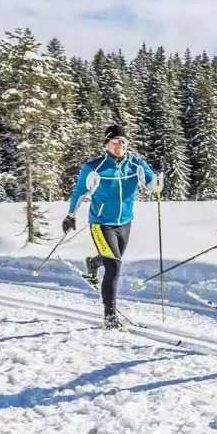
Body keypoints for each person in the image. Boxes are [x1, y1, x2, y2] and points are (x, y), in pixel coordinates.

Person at [63, 124, 161, 329]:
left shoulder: (136, 164)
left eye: (124, 142)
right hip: (101, 224)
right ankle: (110, 318)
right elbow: (79, 192)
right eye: (116, 141)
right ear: (106, 143)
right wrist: (71, 215)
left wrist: (157, 184)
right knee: (114, 267)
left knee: (113, 260)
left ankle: (92, 264)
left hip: (125, 222)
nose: (120, 145)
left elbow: (152, 184)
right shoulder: (94, 167)